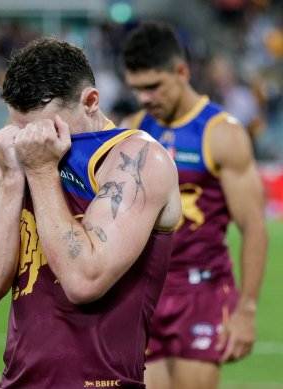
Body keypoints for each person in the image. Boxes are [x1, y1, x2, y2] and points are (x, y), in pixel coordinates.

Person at [0, 37, 182, 388]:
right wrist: (13, 180)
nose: (31, 140)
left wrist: (43, 173)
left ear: (90, 101)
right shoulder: (11, 163)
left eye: (46, 128)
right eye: (20, 128)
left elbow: (84, 280)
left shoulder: (136, 158)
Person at [121, 21, 268, 389]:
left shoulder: (222, 134)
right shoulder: (133, 129)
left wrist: (247, 309)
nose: (145, 98)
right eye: (137, 89)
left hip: (201, 292)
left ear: (182, 72)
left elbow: (253, 226)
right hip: (146, 293)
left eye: (153, 86)